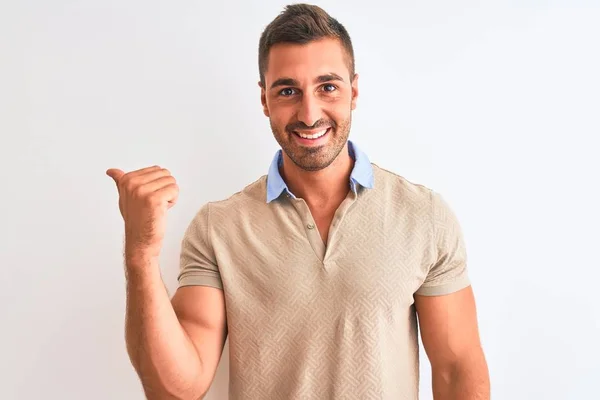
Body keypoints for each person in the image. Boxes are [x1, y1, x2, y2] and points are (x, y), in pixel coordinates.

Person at [106, 4, 490, 399]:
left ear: (353, 91)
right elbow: (176, 390)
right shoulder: (218, 228)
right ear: (264, 100)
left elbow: (457, 369)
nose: (309, 114)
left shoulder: (423, 217)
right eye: (288, 90)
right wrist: (141, 254)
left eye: (328, 87)